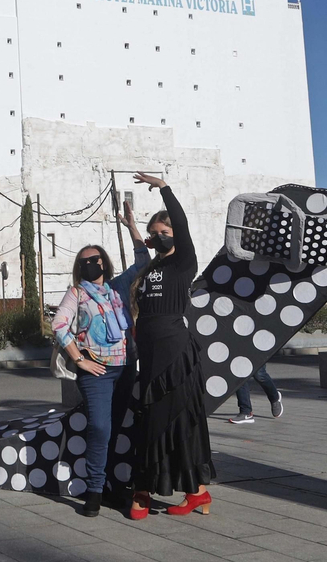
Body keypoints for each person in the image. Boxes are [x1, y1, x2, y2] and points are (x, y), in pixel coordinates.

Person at [124, 172, 216, 519]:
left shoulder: (183, 262)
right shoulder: (151, 268)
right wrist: (133, 228)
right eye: (155, 233)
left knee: (175, 421)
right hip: (149, 353)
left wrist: (164, 188)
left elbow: (181, 223)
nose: (159, 237)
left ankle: (154, 491)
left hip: (175, 353)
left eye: (164, 232)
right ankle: (192, 492)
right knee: (153, 419)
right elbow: (141, 248)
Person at [52, 245, 130, 516]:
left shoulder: (116, 289)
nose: (89, 264)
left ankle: (111, 486)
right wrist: (79, 359)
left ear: (104, 262)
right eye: (83, 262)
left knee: (116, 429)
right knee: (99, 428)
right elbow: (58, 324)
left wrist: (132, 228)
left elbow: (141, 262)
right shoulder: (77, 293)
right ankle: (94, 490)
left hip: (124, 369)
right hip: (96, 372)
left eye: (94, 259)